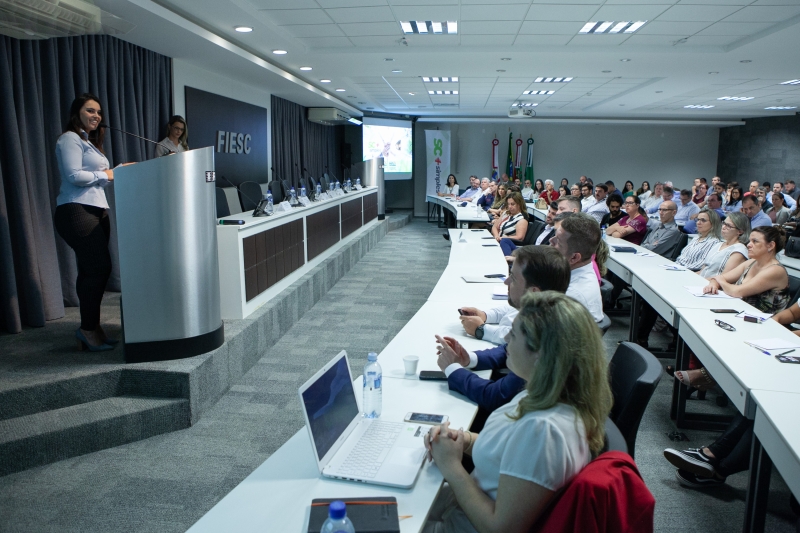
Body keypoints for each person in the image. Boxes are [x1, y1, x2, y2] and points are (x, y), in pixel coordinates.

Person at [425, 291, 612, 533]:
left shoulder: (543, 431)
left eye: (513, 334)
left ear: (541, 354)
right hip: (460, 511)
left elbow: (500, 528)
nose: (505, 338)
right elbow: (511, 451)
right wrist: (465, 440)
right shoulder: (545, 394)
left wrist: (451, 465)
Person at [664, 228, 791, 489]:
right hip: (758, 328)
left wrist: (723, 284)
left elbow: (736, 291)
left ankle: (713, 460)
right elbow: (786, 315)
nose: (749, 245)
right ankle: (712, 460)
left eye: (755, 241)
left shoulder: (776, 270)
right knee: (761, 407)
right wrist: (718, 282)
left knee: (766, 407)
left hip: (758, 330)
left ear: (772, 246)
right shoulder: (751, 262)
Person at [54, 93, 119, 351]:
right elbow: (73, 175)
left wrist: (121, 170)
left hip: (97, 209)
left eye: (99, 112)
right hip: (75, 210)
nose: (96, 116)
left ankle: (91, 326)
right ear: (77, 113)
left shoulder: (88, 142)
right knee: (98, 268)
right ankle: (88, 329)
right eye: (90, 110)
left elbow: (100, 177)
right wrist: (108, 173)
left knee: (94, 270)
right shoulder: (69, 138)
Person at [634, 209, 723, 349]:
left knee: (656, 300)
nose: (698, 223)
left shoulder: (714, 243)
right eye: (697, 219)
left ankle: (644, 339)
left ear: (713, 224)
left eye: (703, 220)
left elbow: (703, 267)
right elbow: (681, 259)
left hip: (690, 278)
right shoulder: (695, 238)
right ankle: (644, 339)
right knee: (651, 297)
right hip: (677, 272)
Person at [456, 245, 570, 353]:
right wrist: (485, 315)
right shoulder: (535, 304)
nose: (506, 282)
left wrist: (481, 330)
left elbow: (513, 338)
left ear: (534, 292)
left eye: (513, 278)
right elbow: (511, 308)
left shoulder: (544, 326)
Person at [608, 200, 681, 305]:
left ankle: (609, 300)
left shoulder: (673, 231)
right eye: (660, 209)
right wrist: (650, 245)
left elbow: (654, 249)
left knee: (622, 270)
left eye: (665, 210)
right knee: (617, 268)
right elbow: (644, 244)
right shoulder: (657, 225)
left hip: (654, 264)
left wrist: (649, 245)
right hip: (643, 258)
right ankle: (609, 298)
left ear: (674, 212)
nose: (661, 212)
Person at [550, 213, 605, 323]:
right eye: (554, 236)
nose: (551, 241)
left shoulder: (572, 296)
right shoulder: (571, 271)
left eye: (558, 242)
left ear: (574, 257)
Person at [699, 212, 750, 278]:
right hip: (700, 281)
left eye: (728, 226)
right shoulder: (718, 244)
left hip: (713, 286)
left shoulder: (739, 251)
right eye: (724, 223)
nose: (723, 227)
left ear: (740, 231)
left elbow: (724, 278)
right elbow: (703, 270)